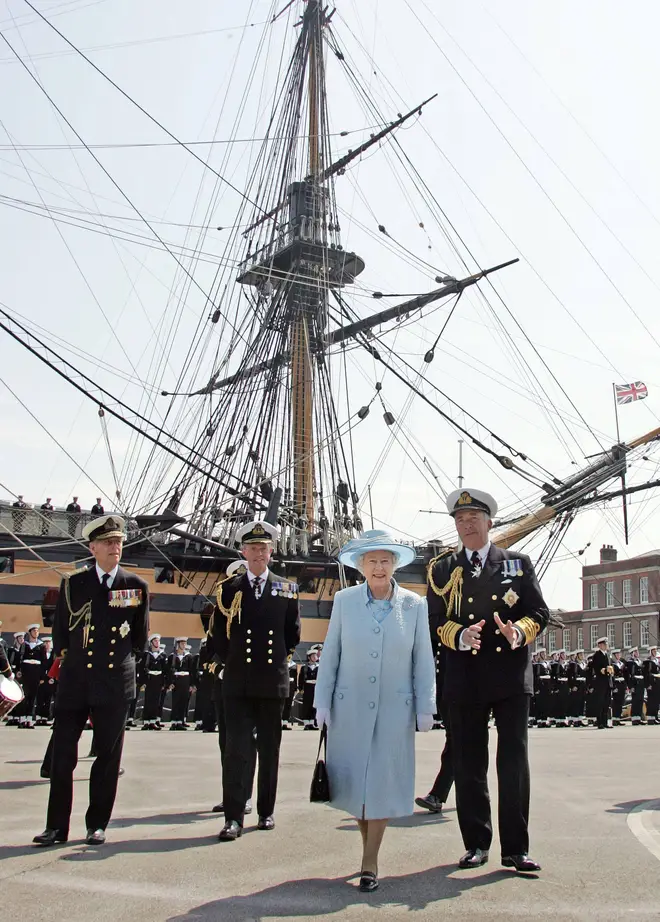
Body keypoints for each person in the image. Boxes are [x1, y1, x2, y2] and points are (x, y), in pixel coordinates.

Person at [429, 488, 549, 874]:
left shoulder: (517, 563)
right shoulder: (443, 569)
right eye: (460, 520)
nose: (466, 525)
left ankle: (516, 849)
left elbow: (539, 612)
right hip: (464, 676)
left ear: (489, 522)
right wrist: (459, 636)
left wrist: (520, 632)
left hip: (510, 674)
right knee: (468, 762)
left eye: (473, 519)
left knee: (513, 762)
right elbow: (433, 620)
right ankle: (476, 844)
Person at [314, 530, 435, 893]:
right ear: (360, 566)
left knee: (381, 783)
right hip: (348, 707)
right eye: (372, 561)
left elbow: (423, 659)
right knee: (355, 786)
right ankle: (368, 850)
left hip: (394, 710)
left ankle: (370, 862)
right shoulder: (344, 601)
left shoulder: (414, 605)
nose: (379, 568)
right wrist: (322, 700)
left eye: (385, 561)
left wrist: (426, 704)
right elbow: (331, 653)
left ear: (394, 564)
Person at [32, 514, 149, 847]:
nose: (115, 547)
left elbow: (139, 637)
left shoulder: (135, 586)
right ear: (92, 547)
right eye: (108, 542)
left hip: (114, 681)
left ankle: (96, 824)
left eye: (119, 542)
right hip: (77, 680)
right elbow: (61, 637)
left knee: (108, 758)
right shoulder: (75, 584)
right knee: (63, 757)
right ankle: (56, 827)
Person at [212, 521, 301, 842]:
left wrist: (278, 662)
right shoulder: (228, 589)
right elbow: (218, 638)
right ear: (243, 552)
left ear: (271, 552)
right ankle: (233, 817)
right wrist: (229, 665)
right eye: (253, 548)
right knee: (236, 750)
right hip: (237, 683)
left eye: (264, 548)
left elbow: (293, 634)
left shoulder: (286, 589)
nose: (259, 553)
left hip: (271, 682)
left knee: (269, 749)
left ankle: (266, 811)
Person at [208, 559, 256, 813]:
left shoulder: (258, 613)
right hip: (225, 685)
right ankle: (229, 796)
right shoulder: (220, 609)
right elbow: (210, 648)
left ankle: (245, 796)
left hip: (250, 685)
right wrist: (221, 669)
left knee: (247, 743)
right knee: (226, 743)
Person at [415, 644, 454, 815]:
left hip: (460, 688)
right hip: (444, 689)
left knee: (456, 743)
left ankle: (437, 795)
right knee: (458, 743)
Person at [17, 623, 45, 728]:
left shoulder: (41, 645)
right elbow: (20, 658)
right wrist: (19, 671)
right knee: (25, 696)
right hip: (26, 672)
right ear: (30, 633)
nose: (36, 633)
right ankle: (23, 719)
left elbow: (44, 662)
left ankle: (30, 719)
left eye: (37, 631)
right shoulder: (25, 645)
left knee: (33, 696)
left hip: (36, 672)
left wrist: (42, 677)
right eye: (34, 631)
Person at [141, 634, 168, 729]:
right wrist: (143, 682)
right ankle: (146, 722)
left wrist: (165, 683)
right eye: (155, 641)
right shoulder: (147, 654)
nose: (157, 643)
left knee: (156, 701)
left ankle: (153, 721)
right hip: (149, 679)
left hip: (158, 679)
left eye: (158, 641)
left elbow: (165, 670)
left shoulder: (163, 655)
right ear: (151, 643)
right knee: (148, 700)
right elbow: (142, 669)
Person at [168, 637, 194, 730]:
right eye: (182, 643)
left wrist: (191, 685)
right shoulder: (172, 656)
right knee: (175, 701)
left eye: (185, 643)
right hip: (176, 680)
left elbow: (192, 671)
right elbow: (169, 671)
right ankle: (173, 722)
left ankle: (180, 721)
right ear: (177, 644)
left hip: (186, 680)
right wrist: (170, 682)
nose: (184, 645)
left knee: (183, 701)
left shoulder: (189, 656)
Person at [591, 637, 613, 729]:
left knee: (606, 703)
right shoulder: (597, 655)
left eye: (607, 644)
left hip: (608, 681)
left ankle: (605, 722)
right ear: (600, 645)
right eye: (605, 644)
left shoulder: (608, 655)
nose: (606, 646)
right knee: (600, 703)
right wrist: (602, 670)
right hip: (600, 682)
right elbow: (595, 668)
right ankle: (599, 722)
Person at [298, 646, 321, 729]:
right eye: (313, 656)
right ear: (309, 657)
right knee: (307, 705)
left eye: (316, 656)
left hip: (316, 687)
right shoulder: (305, 667)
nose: (315, 657)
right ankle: (306, 723)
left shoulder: (319, 667)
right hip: (307, 688)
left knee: (314, 705)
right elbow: (301, 679)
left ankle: (312, 723)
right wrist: (300, 688)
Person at [36, 637, 55, 725]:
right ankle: (38, 717)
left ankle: (45, 717)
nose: (47, 644)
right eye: (45, 643)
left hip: (50, 680)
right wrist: (40, 678)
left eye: (49, 642)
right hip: (42, 679)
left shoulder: (53, 653)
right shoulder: (40, 653)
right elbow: (39, 667)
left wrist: (52, 678)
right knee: (40, 699)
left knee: (48, 699)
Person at [567, 650, 588, 726]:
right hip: (577, 685)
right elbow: (570, 676)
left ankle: (580, 719)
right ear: (578, 655)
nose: (582, 656)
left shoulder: (584, 664)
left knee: (582, 703)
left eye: (583, 654)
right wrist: (572, 686)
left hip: (583, 685)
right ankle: (575, 720)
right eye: (581, 654)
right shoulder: (574, 664)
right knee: (576, 703)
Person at [626, 647, 645, 726]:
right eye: (635, 652)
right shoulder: (630, 663)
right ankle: (634, 718)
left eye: (637, 651)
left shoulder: (639, 661)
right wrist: (631, 686)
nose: (637, 653)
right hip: (635, 683)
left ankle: (638, 717)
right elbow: (628, 675)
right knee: (635, 701)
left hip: (641, 682)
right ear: (632, 653)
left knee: (640, 700)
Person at [643, 647, 660, 725]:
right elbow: (646, 674)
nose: (655, 652)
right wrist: (648, 684)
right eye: (653, 651)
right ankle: (650, 718)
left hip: (657, 682)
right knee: (651, 701)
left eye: (656, 650)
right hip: (651, 683)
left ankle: (655, 717)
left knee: (656, 701)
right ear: (650, 652)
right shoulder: (648, 662)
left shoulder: (657, 661)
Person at [610, 649, 627, 725]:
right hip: (616, 683)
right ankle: (614, 719)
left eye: (619, 654)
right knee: (616, 702)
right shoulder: (612, 665)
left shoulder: (622, 663)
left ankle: (618, 718)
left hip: (622, 684)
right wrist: (613, 687)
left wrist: (626, 686)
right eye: (616, 654)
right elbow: (611, 676)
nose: (618, 655)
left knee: (621, 702)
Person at [282, 659, 298, 729]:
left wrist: (295, 688)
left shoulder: (293, 665)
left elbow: (295, 676)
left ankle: (285, 723)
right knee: (281, 705)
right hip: (282, 684)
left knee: (288, 705)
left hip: (291, 684)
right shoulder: (281, 661)